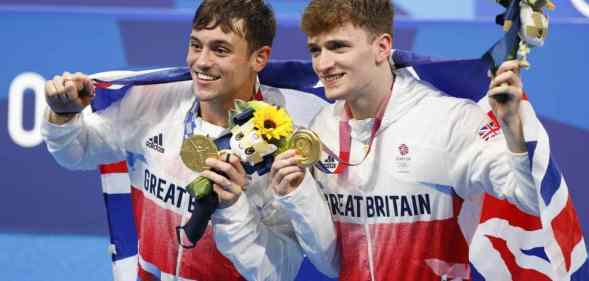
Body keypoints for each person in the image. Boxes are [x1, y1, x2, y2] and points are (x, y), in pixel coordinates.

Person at [41, 1, 334, 280]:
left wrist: (232, 207)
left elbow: (276, 273)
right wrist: (63, 117)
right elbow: (79, 152)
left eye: (220, 50)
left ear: (259, 58)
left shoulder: (284, 143)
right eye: (196, 45)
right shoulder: (153, 101)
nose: (202, 62)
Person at [269, 0, 546, 280]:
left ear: (382, 47)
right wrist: (298, 195)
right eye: (316, 51)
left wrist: (513, 132)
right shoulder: (322, 129)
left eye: (338, 47)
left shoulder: (449, 120)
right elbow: (334, 264)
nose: (323, 64)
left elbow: (530, 200)